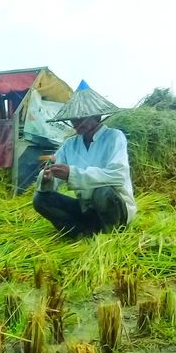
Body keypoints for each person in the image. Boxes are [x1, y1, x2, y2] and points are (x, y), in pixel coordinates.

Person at [33, 81, 136, 237]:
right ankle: (81, 231)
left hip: (115, 208)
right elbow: (56, 175)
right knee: (40, 199)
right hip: (86, 208)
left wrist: (72, 174)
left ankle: (109, 233)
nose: (76, 122)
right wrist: (48, 179)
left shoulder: (114, 137)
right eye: (73, 118)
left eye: (81, 117)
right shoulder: (70, 144)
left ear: (97, 116)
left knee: (102, 191)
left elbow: (118, 175)